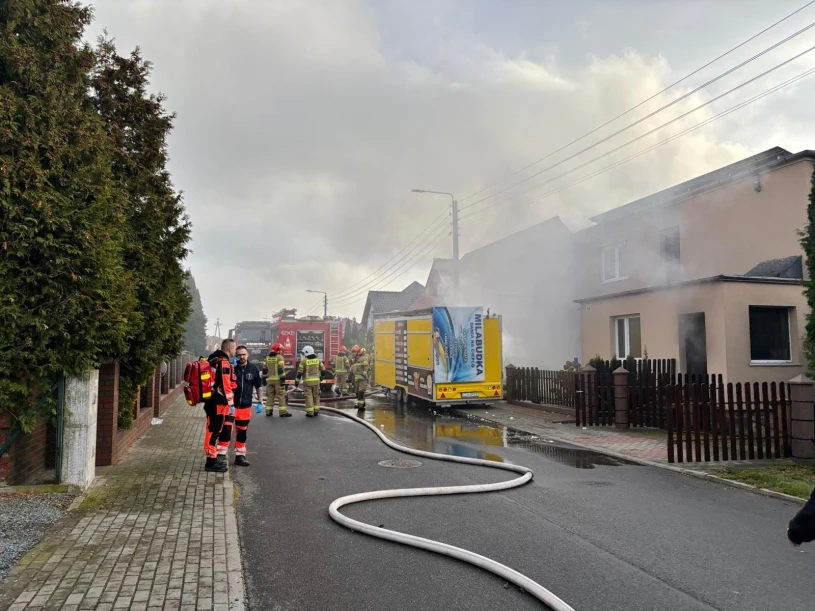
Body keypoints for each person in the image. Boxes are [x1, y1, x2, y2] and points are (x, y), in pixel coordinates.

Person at [219, 345, 262, 467]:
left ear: (247, 355)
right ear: (236, 356)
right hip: (230, 406)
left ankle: (240, 456)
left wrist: (260, 401)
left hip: (245, 407)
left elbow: (258, 386)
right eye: (239, 355)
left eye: (243, 354)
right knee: (226, 431)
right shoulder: (231, 368)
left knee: (242, 432)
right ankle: (221, 455)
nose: (241, 357)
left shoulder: (253, 369)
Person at [204, 339, 237, 473]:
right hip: (218, 402)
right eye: (234, 349)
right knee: (213, 431)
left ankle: (212, 459)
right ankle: (211, 462)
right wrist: (231, 403)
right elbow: (225, 385)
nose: (234, 351)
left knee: (214, 430)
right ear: (230, 349)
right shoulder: (223, 363)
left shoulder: (213, 360)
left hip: (213, 401)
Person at [296, 345, 324, 417]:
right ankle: (316, 411)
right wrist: (321, 379)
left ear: (306, 352)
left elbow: (300, 373)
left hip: (307, 383)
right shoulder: (318, 360)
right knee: (316, 396)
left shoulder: (303, 361)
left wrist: (297, 381)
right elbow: (323, 371)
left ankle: (310, 412)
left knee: (308, 396)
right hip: (316, 382)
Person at [264, 342, 291, 417]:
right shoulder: (280, 358)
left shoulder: (267, 358)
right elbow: (280, 369)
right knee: (281, 396)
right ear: (278, 350)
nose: (281, 352)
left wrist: (263, 378)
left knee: (270, 396)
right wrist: (283, 380)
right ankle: (283, 412)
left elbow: (264, 369)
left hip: (270, 381)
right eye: (280, 350)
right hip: (278, 381)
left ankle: (268, 411)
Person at [350, 345, 369, 410]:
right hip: (356, 379)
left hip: (363, 379)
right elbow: (352, 369)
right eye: (352, 352)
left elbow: (366, 367)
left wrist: (363, 374)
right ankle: (360, 403)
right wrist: (350, 375)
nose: (353, 353)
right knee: (357, 393)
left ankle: (361, 405)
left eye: (354, 352)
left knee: (361, 392)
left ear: (358, 352)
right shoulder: (354, 360)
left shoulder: (363, 358)